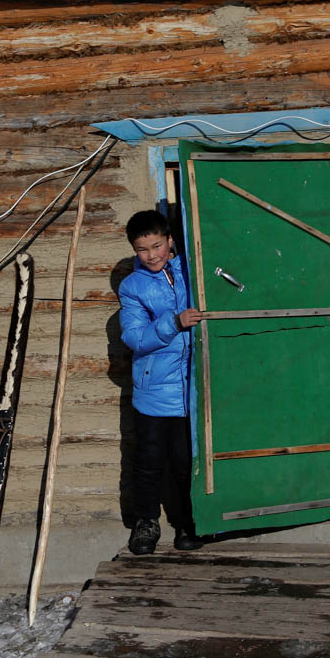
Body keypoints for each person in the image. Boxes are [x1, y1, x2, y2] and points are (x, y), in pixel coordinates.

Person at [118, 210, 205, 554]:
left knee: (187, 462)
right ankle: (146, 523)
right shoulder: (133, 287)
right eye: (143, 249)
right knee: (149, 462)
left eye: (157, 246)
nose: (152, 255)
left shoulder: (193, 270)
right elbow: (135, 337)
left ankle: (187, 523)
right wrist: (174, 323)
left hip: (193, 388)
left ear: (170, 241)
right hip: (154, 391)